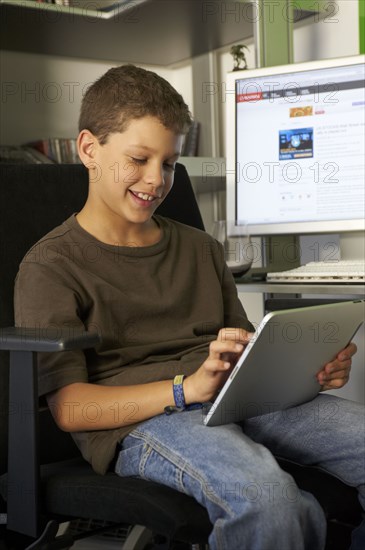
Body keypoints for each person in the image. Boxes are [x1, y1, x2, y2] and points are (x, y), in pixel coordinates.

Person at [14, 65, 364, 550]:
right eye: (139, 159)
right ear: (90, 149)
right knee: (271, 499)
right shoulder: (50, 265)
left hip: (236, 401)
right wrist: (185, 389)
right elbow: (72, 409)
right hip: (146, 422)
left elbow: (245, 352)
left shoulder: (201, 249)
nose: (157, 181)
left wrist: (308, 370)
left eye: (170, 163)